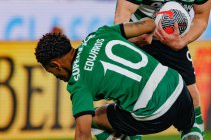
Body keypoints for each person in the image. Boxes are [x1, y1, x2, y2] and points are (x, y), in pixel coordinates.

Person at [114, 0, 211, 140]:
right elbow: (121, 18)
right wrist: (134, 38)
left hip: (173, 38)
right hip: (140, 37)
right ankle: (120, 129)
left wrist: (182, 41)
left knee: (191, 94)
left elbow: (202, 18)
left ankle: (192, 133)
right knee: (129, 95)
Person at [34, 18, 196, 140]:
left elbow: (83, 134)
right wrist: (142, 39)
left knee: (95, 119)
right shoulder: (99, 34)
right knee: (189, 130)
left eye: (53, 73)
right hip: (178, 87)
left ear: (56, 65)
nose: (58, 77)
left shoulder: (78, 82)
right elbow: (148, 24)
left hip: (157, 114)